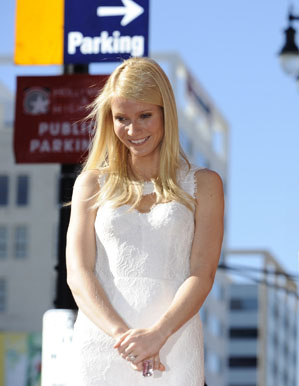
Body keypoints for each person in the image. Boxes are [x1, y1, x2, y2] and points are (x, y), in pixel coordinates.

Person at [66, 57, 224, 385]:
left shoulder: (205, 184)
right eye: (121, 118)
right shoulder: (91, 183)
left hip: (173, 346)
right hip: (101, 347)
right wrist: (123, 337)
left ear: (166, 112)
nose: (133, 130)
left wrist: (156, 336)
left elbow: (202, 273)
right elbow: (78, 273)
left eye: (145, 116)